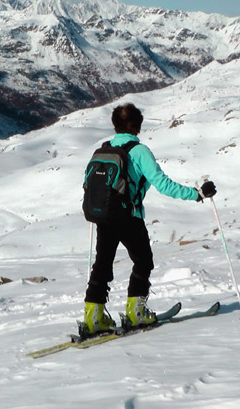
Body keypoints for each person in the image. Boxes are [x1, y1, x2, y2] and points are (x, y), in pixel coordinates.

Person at [82, 103, 216, 335]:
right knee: (143, 261)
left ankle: (93, 317)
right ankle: (136, 313)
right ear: (137, 125)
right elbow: (163, 185)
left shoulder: (104, 149)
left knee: (102, 264)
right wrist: (197, 194)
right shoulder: (139, 151)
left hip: (103, 215)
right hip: (127, 216)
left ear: (115, 124)